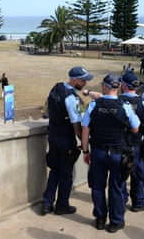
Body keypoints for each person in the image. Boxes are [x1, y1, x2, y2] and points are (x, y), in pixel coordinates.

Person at [81, 73, 140, 233]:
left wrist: (85, 151)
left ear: (104, 86)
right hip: (118, 153)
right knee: (116, 187)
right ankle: (116, 221)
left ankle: (100, 219)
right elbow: (135, 128)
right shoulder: (125, 105)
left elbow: (85, 129)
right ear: (119, 87)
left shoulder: (94, 105)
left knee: (98, 187)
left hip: (98, 152)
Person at [41, 66, 94, 216]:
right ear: (74, 79)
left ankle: (46, 203)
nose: (85, 83)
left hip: (53, 136)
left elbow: (47, 109)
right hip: (65, 140)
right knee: (66, 175)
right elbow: (76, 124)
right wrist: (84, 146)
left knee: (54, 171)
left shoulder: (56, 88)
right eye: (83, 80)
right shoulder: (71, 97)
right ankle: (62, 205)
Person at [119, 71, 144, 213]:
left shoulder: (117, 101)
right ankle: (138, 202)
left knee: (120, 175)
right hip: (137, 145)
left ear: (123, 85)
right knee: (137, 174)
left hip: (119, 145)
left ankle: (121, 200)